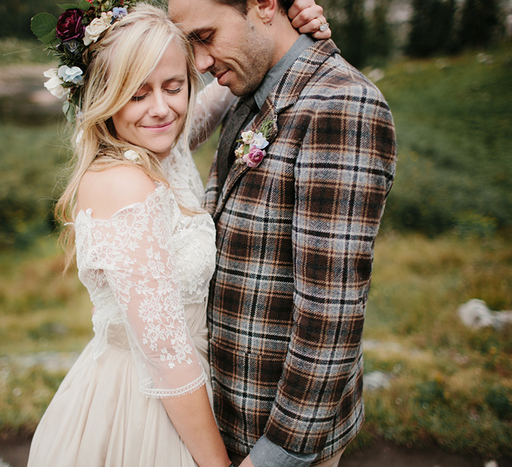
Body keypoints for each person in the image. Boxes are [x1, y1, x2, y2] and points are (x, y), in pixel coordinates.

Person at [26, 2, 330, 466]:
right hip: (144, 406)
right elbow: (168, 361)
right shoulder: (123, 184)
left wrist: (294, 36)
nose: (162, 109)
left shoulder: (158, 147)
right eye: (137, 94)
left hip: (187, 396)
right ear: (105, 98)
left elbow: (229, 89)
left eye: (174, 86)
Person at [168, 1, 398, 466]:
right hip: (223, 413)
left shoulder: (341, 104)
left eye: (206, 35)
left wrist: (278, 454)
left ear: (265, 5)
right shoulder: (251, 84)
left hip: (271, 432)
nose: (200, 63)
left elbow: (330, 310)